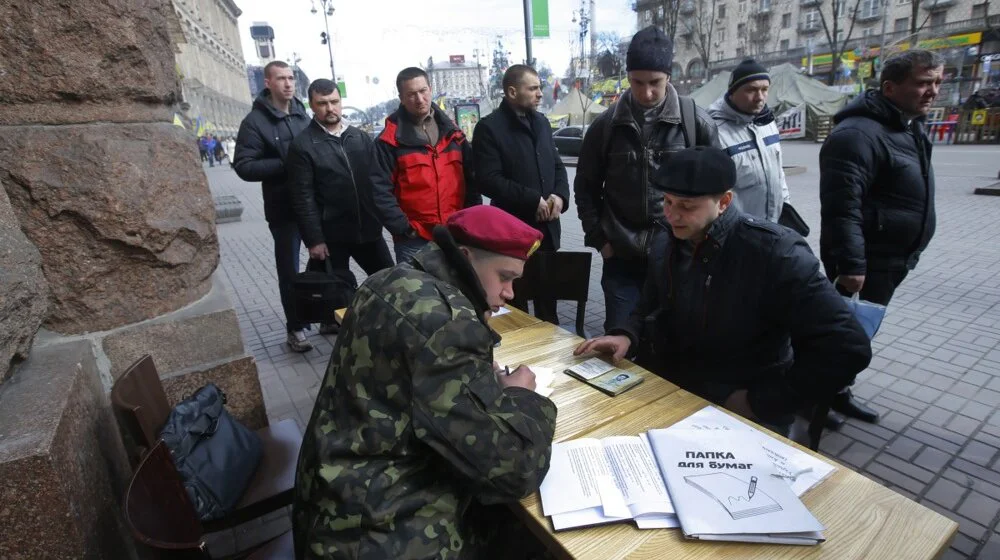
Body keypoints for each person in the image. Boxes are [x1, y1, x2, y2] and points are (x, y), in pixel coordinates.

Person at [294, 205, 557, 559]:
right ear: (465, 257)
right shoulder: (447, 325)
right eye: (504, 277)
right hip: (376, 535)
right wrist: (521, 397)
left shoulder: (387, 279)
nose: (509, 292)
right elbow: (515, 472)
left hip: (332, 506)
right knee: (528, 536)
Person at [575, 147, 871, 434]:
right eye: (667, 202)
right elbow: (651, 303)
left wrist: (759, 401)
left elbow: (846, 348)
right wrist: (626, 333)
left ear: (725, 201)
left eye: (687, 207)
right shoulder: (667, 240)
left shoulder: (774, 252)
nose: (672, 216)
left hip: (742, 401)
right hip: (674, 387)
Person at [819, 50, 942, 423]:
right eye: (922, 83)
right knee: (836, 336)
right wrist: (852, 264)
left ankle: (837, 391)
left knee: (860, 334)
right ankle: (813, 398)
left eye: (937, 82)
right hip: (864, 263)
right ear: (890, 87)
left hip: (892, 258)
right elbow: (842, 207)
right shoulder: (857, 134)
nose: (932, 91)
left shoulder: (907, 126)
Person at [575, 26, 720, 332]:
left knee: (675, 342)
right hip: (621, 259)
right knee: (620, 340)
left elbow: (719, 194)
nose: (646, 93)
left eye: (655, 82)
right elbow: (585, 188)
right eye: (637, 82)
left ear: (669, 77)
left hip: (680, 257)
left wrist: (705, 243)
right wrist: (601, 241)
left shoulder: (696, 123)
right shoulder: (605, 126)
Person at [287, 79, 394, 334]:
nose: (329, 108)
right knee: (335, 294)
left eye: (334, 102)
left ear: (340, 102)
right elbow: (303, 197)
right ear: (311, 105)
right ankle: (344, 339)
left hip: (368, 229)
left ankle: (390, 328)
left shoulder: (359, 137)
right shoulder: (303, 145)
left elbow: (377, 181)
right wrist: (314, 239)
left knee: (391, 280)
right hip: (332, 234)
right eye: (322, 104)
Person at [473, 64, 570, 323]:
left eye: (540, 87)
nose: (540, 93)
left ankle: (550, 351)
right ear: (512, 92)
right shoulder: (489, 128)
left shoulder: (542, 123)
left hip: (546, 232)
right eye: (533, 88)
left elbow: (557, 166)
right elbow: (487, 180)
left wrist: (560, 196)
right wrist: (531, 199)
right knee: (514, 304)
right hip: (511, 235)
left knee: (548, 303)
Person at [234, 60, 312, 352]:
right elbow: (244, 165)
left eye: (291, 78)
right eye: (281, 78)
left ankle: (327, 313)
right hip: (284, 210)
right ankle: (296, 329)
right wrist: (285, 164)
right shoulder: (255, 122)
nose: (288, 84)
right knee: (289, 271)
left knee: (323, 259)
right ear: (268, 82)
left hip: (313, 206)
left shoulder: (303, 114)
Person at [370, 67, 481, 265]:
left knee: (460, 292)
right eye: (411, 94)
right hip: (414, 239)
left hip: (455, 233)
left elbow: (471, 182)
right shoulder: (389, 142)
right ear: (401, 98)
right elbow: (379, 191)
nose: (419, 99)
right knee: (418, 295)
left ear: (430, 89)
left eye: (423, 91)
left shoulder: (454, 135)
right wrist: (404, 229)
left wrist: (471, 221)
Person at [708, 59, 790, 224]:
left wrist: (786, 207)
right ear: (733, 92)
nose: (759, 97)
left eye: (764, 89)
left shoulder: (767, 123)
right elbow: (712, 193)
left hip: (774, 227)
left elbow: (778, 172)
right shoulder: (714, 130)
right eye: (751, 90)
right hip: (738, 233)